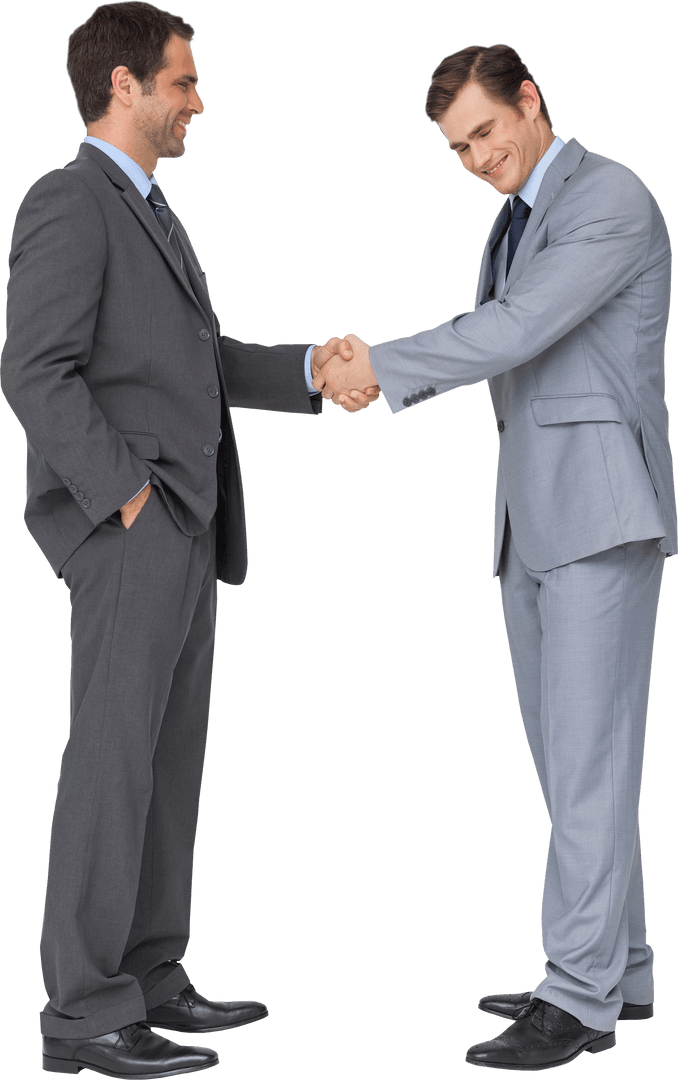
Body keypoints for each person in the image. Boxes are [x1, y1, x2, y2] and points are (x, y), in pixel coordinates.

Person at [0, 3, 378, 1077]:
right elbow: (32, 370)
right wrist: (124, 497)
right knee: (110, 769)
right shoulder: (70, 201)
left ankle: (152, 977)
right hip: (133, 528)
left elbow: (196, 362)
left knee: (168, 766)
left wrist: (311, 368)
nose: (199, 102)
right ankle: (81, 1014)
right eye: (185, 83)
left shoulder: (151, 211)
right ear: (125, 86)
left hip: (186, 528)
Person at [315, 43, 677, 1072]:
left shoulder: (611, 198)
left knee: (590, 763)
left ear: (531, 99)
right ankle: (624, 968)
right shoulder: (516, 216)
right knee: (576, 767)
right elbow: (509, 333)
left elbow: (513, 330)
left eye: (485, 131)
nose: (476, 156)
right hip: (533, 522)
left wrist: (376, 368)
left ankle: (578, 998)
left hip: (600, 521)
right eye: (457, 147)